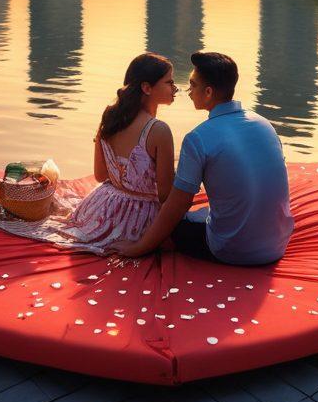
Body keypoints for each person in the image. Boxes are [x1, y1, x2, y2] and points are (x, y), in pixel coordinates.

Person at [109, 51, 294, 265]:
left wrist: (139, 248)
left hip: (232, 250)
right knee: (203, 212)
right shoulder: (264, 124)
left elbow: (176, 205)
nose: (188, 92)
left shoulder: (198, 138)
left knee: (169, 221)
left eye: (193, 85)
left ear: (208, 92)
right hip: (277, 244)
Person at [61, 51, 177, 249]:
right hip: (140, 221)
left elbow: (100, 175)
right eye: (169, 82)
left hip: (102, 210)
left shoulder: (110, 116)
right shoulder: (159, 130)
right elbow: (166, 195)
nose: (176, 88)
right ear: (147, 88)